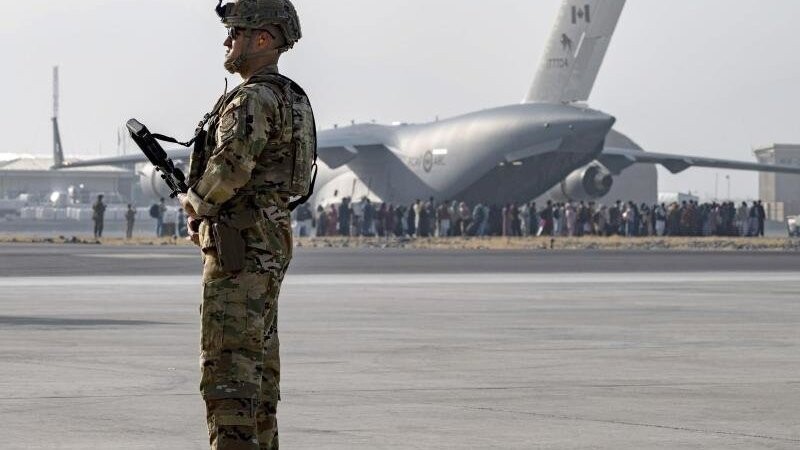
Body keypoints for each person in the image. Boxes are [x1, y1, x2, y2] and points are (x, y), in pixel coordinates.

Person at [176, 1, 314, 448]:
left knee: (228, 370)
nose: (226, 41)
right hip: (268, 238)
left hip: (239, 244)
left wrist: (196, 203)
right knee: (258, 370)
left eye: (235, 32)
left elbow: (232, 165)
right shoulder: (290, 96)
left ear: (263, 39)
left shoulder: (253, 97)